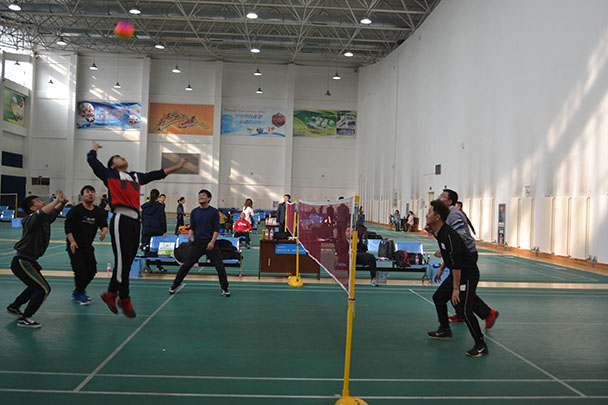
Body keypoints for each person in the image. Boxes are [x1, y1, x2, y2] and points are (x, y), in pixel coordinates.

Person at [87, 141, 186, 318]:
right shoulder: (109, 175)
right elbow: (92, 162)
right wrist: (94, 148)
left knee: (127, 262)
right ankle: (121, 297)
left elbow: (155, 174)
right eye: (118, 157)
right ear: (112, 165)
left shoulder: (134, 177)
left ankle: (115, 295)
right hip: (120, 219)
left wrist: (176, 167)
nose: (122, 158)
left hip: (134, 221)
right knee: (122, 261)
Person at [426, 200, 488, 357]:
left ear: (437, 217)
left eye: (430, 212)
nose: (427, 215)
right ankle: (445, 329)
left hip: (467, 275)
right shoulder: (440, 232)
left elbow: (457, 264)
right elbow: (448, 254)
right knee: (439, 297)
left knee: (465, 310)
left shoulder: (449, 235)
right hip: (458, 272)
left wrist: (455, 289)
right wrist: (441, 269)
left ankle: (481, 345)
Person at [435, 189, 498, 328]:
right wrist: (442, 266)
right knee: (455, 287)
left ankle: (488, 313)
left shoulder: (453, 215)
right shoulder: (446, 215)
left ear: (450, 201)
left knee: (460, 288)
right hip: (458, 255)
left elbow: (461, 236)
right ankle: (461, 314)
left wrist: (448, 247)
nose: (439, 198)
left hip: (466, 256)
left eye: (442, 196)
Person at [6, 189, 68, 328]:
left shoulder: (42, 219)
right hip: (22, 261)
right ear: (32, 208)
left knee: (34, 287)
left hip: (29, 261)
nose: (42, 202)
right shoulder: (31, 219)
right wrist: (56, 200)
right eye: (38, 201)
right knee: (43, 289)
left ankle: (14, 306)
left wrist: (63, 203)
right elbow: (45, 211)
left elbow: (54, 212)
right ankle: (26, 318)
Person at [168, 189, 230, 297]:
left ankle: (225, 288)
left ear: (209, 198)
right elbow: (192, 227)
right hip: (197, 244)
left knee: (220, 266)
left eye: (203, 195)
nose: (200, 197)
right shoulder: (194, 212)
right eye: (199, 195)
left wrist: (212, 242)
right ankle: (174, 285)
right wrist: (190, 235)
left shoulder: (214, 212)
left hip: (210, 244)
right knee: (186, 265)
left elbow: (216, 229)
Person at [65, 185, 108, 305]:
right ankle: (80, 293)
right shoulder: (76, 210)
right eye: (87, 192)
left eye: (92, 192)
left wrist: (103, 232)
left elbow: (104, 225)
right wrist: (72, 241)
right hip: (75, 246)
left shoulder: (98, 211)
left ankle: (78, 291)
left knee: (92, 271)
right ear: (82, 196)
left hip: (88, 246)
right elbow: (68, 227)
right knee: (80, 271)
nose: (90, 194)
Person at [141, 188, 168, 273]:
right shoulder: (159, 207)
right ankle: (158, 266)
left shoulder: (145, 207)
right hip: (157, 230)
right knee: (157, 249)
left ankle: (147, 266)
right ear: (158, 197)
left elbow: (142, 219)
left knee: (146, 248)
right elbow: (162, 219)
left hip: (146, 230)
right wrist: (164, 231)